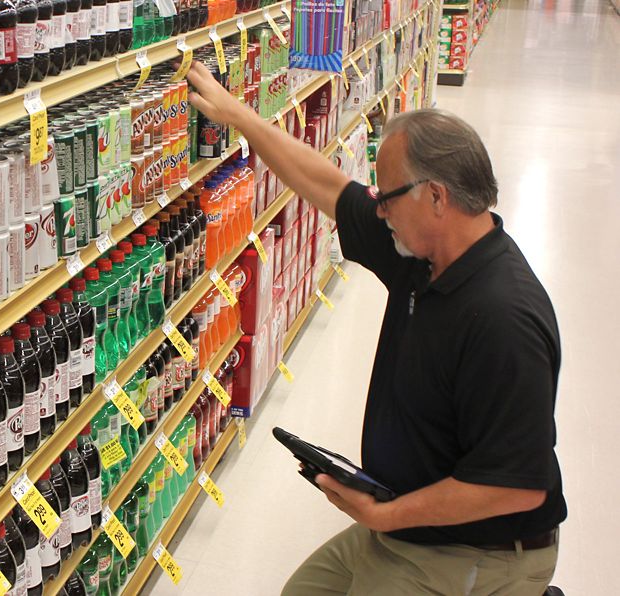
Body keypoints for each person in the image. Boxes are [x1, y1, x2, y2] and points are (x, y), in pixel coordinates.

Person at [184, 60, 566, 595]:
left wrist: (388, 517)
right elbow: (328, 185)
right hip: (406, 524)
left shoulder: (504, 319)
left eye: (387, 197)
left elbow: (517, 487)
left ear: (436, 196)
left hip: (475, 549)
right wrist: (241, 117)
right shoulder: (424, 252)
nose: (378, 211)